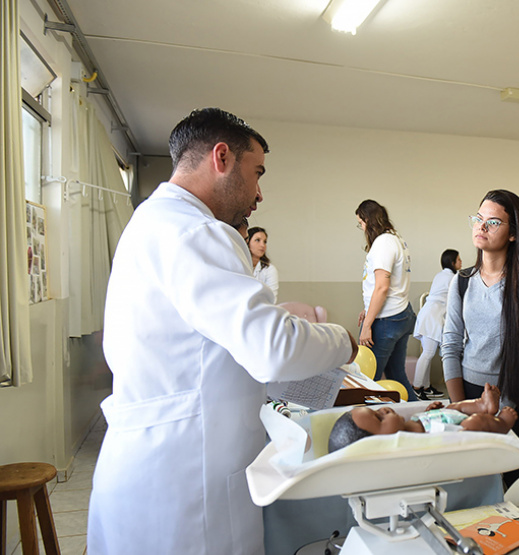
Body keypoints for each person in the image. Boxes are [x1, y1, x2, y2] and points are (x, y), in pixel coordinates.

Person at [87, 108, 358, 555]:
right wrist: (342, 341)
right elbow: (273, 349)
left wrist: (276, 319)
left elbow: (204, 342)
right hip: (187, 482)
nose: (259, 193)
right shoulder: (197, 231)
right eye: (257, 173)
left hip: (155, 463)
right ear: (222, 158)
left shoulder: (154, 221)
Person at [441, 189, 519, 448]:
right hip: (469, 393)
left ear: (513, 233)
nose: (482, 226)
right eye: (478, 219)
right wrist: (461, 407)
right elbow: (451, 344)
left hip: (516, 402)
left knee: (514, 474)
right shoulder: (462, 281)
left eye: (493, 222)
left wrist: (499, 413)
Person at [328, 383, 518, 452]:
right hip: (456, 431)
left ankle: (483, 406)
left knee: (453, 406)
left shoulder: (408, 423)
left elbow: (424, 420)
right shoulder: (410, 444)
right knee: (474, 423)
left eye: (376, 410)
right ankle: (501, 424)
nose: (383, 410)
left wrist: (430, 411)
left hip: (441, 418)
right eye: (379, 419)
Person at [356, 199, 418, 401]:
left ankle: (364, 422)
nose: (361, 228)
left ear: (368, 220)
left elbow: (382, 287)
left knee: (366, 381)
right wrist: (368, 308)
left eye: (361, 223)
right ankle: (422, 415)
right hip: (400, 314)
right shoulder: (396, 239)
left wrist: (367, 325)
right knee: (396, 376)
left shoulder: (383, 243)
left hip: (386, 320)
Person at [411, 249, 461, 400]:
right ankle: (416, 388)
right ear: (452, 262)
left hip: (430, 315)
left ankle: (426, 387)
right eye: (459, 260)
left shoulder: (440, 275)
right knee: (428, 353)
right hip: (432, 317)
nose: (461, 262)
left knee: (428, 353)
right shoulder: (452, 278)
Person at [247, 226, 279, 300]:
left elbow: (271, 298)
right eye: (257, 240)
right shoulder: (239, 266)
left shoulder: (269, 269)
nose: (262, 245)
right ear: (247, 242)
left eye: (265, 242)